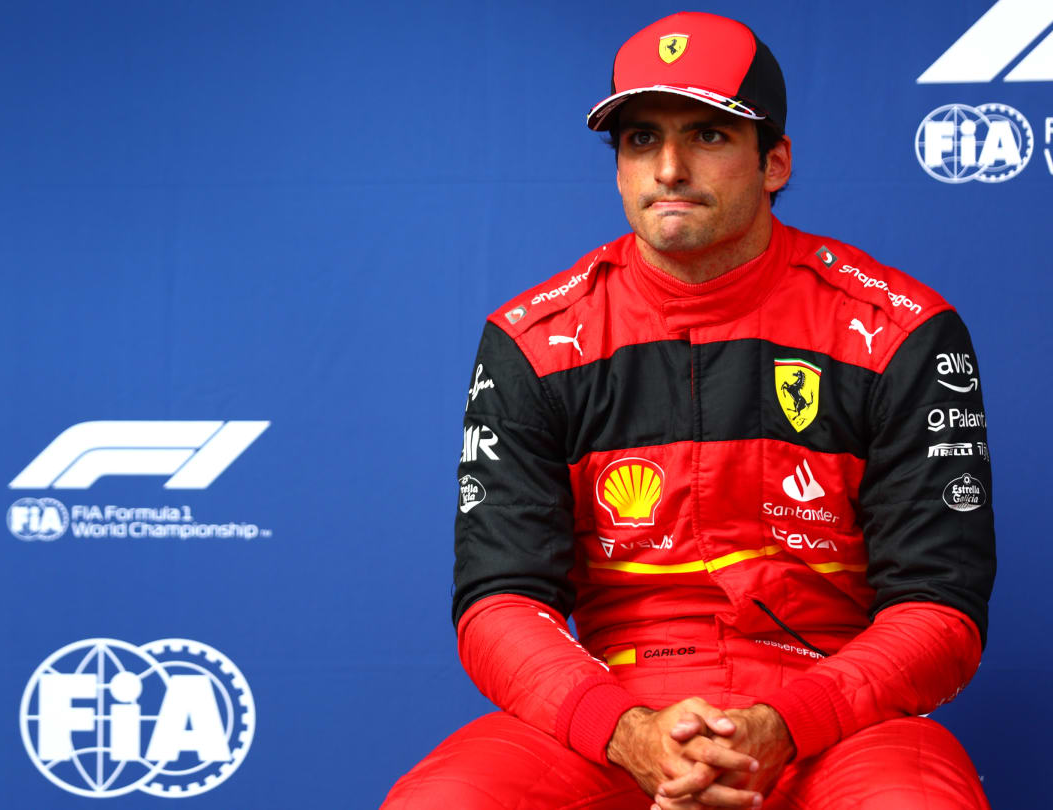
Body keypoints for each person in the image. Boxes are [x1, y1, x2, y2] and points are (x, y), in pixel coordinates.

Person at [384, 11, 995, 810]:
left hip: (837, 714)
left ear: (774, 160)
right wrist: (628, 730)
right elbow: (499, 601)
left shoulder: (900, 330)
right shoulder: (534, 339)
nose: (668, 167)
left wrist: (789, 719)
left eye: (707, 135)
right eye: (641, 139)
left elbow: (938, 608)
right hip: (615, 711)